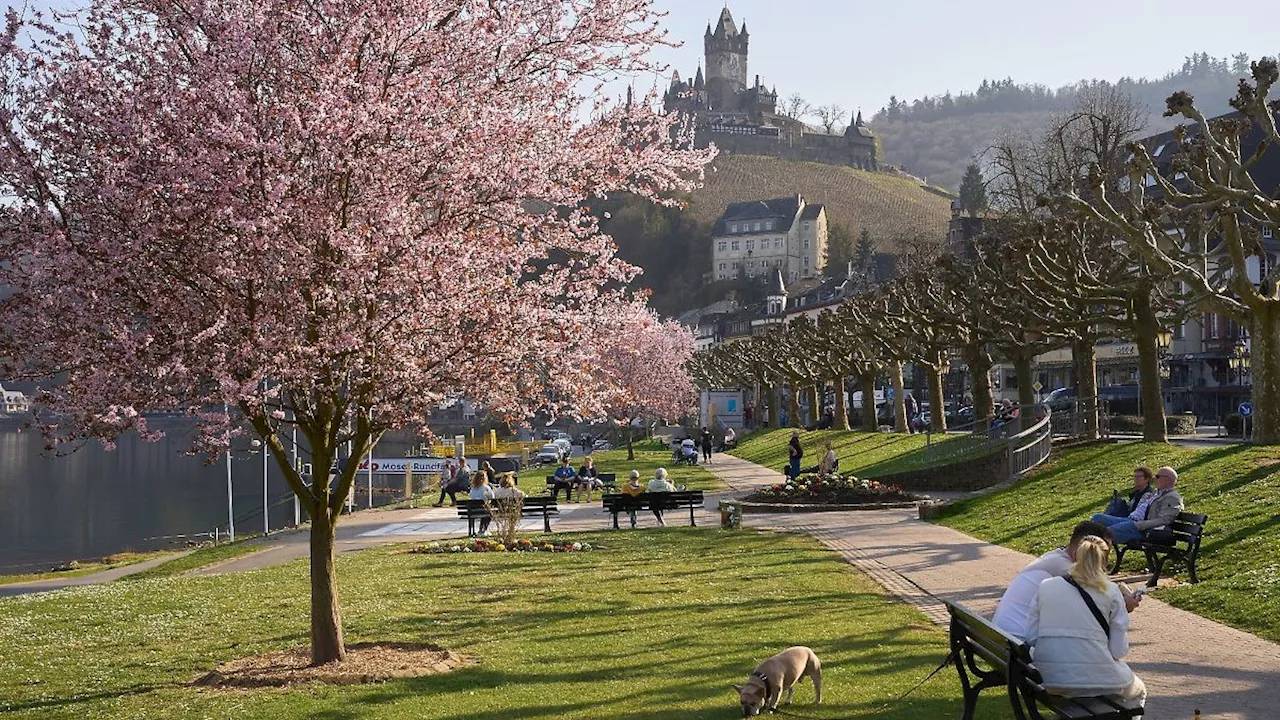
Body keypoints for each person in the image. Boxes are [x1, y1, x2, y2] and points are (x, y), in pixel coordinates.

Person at [1026, 534, 1146, 712]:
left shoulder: (1046, 586)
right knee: (1138, 691)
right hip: (1098, 679)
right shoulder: (1111, 592)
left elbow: (1031, 636)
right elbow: (1118, 651)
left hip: (1049, 677)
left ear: (1075, 556)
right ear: (1105, 561)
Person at [992, 521, 1138, 639]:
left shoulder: (1055, 557)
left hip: (1007, 640)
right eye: (1102, 554)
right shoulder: (1066, 571)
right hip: (1021, 643)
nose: (1105, 562)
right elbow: (1097, 611)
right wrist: (1124, 605)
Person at [1090, 466, 1184, 545]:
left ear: (1167, 479)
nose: (1154, 479)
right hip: (1131, 520)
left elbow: (1165, 519)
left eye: (1158, 476)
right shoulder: (1155, 493)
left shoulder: (1172, 498)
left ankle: (1090, 558)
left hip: (1141, 529)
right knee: (1097, 518)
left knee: (1106, 532)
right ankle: (1083, 554)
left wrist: (1140, 525)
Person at [469, 471, 496, 536]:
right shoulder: (486, 488)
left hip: (473, 510)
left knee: (485, 511)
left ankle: (481, 530)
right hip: (483, 509)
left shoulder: (473, 489)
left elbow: (471, 497)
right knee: (488, 512)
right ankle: (483, 529)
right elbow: (492, 498)